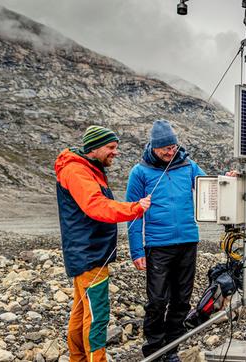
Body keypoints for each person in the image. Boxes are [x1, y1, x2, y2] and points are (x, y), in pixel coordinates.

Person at [55, 125, 151, 362]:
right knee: (97, 314)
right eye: (110, 147)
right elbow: (96, 206)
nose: (115, 152)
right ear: (94, 148)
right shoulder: (77, 171)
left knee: (81, 310)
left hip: (88, 253)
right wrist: (135, 208)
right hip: (89, 254)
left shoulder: (88, 168)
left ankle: (77, 358)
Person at [126, 119, 206, 362]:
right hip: (158, 245)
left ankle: (171, 350)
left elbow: (210, 187)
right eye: (165, 148)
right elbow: (133, 213)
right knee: (158, 300)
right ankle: (154, 350)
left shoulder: (188, 165)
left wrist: (229, 178)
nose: (170, 151)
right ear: (153, 147)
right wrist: (136, 250)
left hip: (187, 242)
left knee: (182, 300)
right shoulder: (140, 172)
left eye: (173, 146)